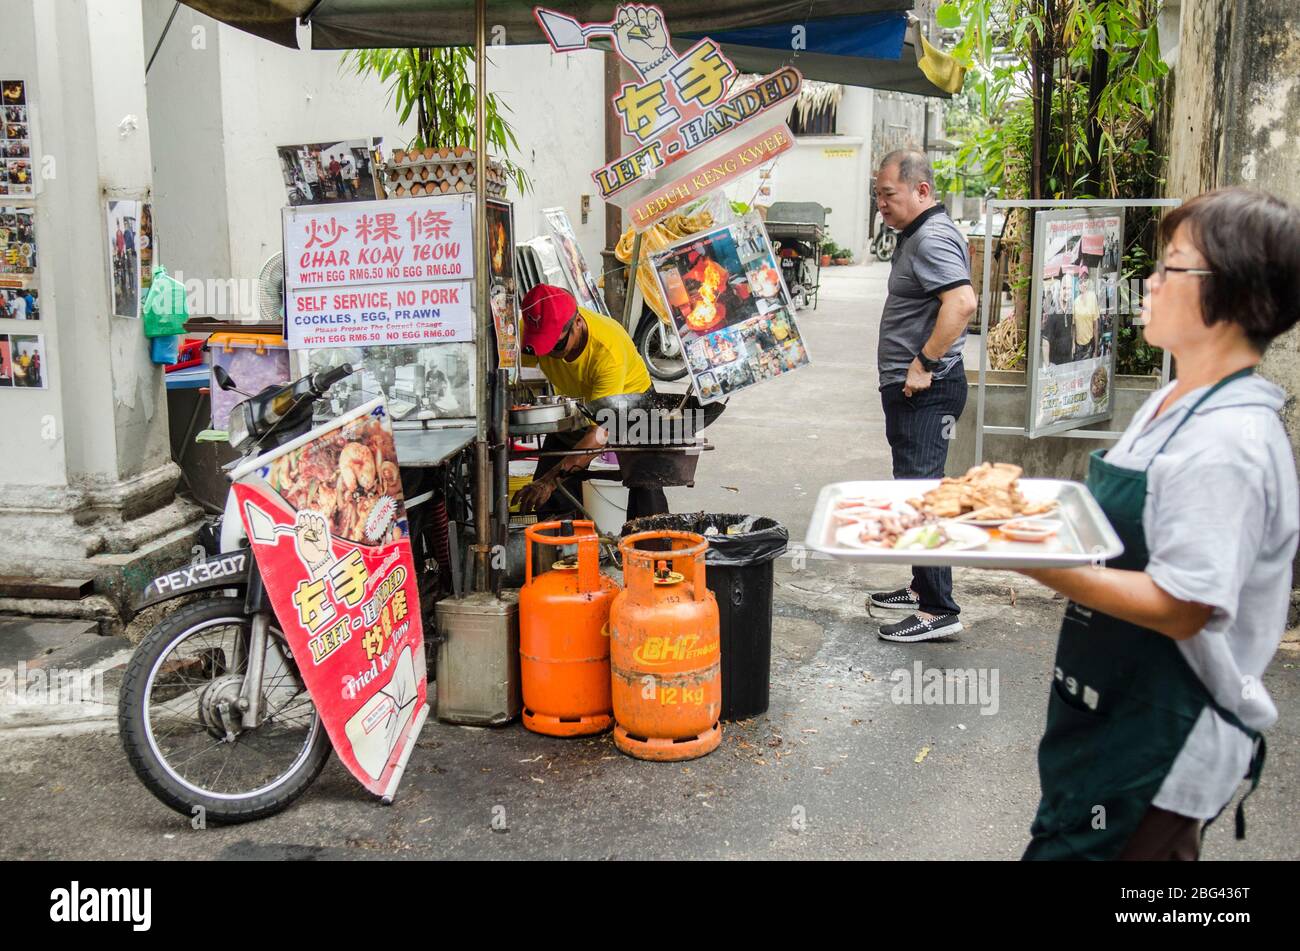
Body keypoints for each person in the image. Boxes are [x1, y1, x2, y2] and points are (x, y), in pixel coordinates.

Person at [1012, 188, 1300, 860]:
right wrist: (1018, 513)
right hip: (1105, 715)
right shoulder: (1177, 399)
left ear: (1229, 293)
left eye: (1171, 267)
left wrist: (1022, 558)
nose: (1149, 283)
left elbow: (1184, 605)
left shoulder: (1230, 440)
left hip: (1161, 744)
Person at [868, 149, 977, 642]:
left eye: (888, 194)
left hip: (926, 391)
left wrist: (923, 365)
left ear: (922, 191)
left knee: (922, 495)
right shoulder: (920, 234)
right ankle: (921, 585)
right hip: (914, 391)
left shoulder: (930, 237)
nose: (880, 205)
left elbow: (961, 303)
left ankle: (938, 609)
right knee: (913, 487)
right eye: (877, 195)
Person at [513, 284, 665, 521]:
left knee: (645, 483)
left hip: (632, 402)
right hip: (581, 404)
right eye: (544, 346)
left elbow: (600, 434)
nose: (551, 353)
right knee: (545, 491)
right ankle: (565, 550)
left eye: (557, 344)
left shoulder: (607, 351)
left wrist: (552, 479)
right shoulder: (530, 329)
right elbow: (511, 377)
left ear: (578, 322)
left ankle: (654, 547)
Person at [1071, 266, 1100, 361]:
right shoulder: (1075, 302)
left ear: (1088, 281)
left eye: (1086, 279)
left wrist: (1096, 350)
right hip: (1078, 346)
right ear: (1078, 283)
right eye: (1081, 279)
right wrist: (1073, 344)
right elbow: (1073, 326)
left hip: (1089, 345)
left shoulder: (1093, 298)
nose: (1083, 283)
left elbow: (1096, 326)